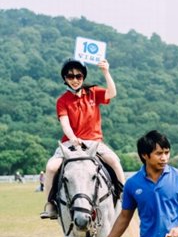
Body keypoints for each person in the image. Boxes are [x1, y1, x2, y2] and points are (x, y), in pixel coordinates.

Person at [40, 58, 125, 219]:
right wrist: (73, 139)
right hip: (70, 142)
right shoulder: (62, 100)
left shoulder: (93, 92)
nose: (74, 80)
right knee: (51, 167)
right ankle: (51, 204)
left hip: (94, 142)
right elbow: (65, 124)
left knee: (114, 160)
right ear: (65, 78)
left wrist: (106, 71)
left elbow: (112, 93)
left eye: (78, 76)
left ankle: (124, 196)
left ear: (83, 77)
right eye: (70, 76)